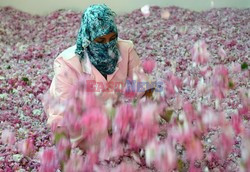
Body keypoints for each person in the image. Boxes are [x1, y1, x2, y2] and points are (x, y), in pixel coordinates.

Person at [42, 4, 155, 150]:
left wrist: (171, 121)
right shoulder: (68, 63)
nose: (108, 46)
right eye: (101, 41)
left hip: (111, 105)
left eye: (112, 38)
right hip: (78, 112)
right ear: (88, 38)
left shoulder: (126, 49)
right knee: (89, 141)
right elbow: (62, 115)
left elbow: (143, 87)